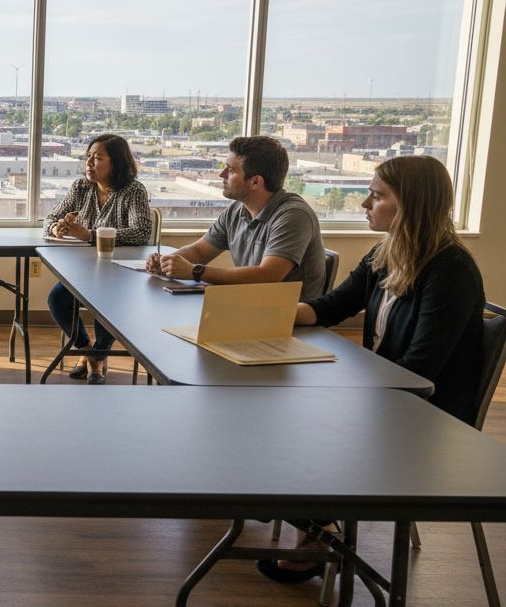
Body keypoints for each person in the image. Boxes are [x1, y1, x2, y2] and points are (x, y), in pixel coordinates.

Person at [256, 154, 485, 583]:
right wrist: (258, 318)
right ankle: (320, 527)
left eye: (376, 196)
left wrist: (340, 388)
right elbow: (331, 307)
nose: (364, 204)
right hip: (383, 399)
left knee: (280, 431)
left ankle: (319, 532)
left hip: (424, 419)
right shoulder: (385, 253)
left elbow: (419, 370)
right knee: (258, 422)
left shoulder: (451, 270)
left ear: (411, 206)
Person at [146, 135, 326, 299]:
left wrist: (196, 272)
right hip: (248, 305)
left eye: (230, 170)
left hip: (288, 320)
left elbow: (267, 276)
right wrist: (166, 262)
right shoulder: (236, 210)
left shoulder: (293, 216)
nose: (222, 175)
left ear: (255, 182)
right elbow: (199, 251)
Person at [44, 134, 153, 384]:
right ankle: (88, 351)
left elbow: (141, 232)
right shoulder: (81, 187)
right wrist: (56, 229)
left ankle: (98, 356)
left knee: (105, 302)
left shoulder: (133, 191)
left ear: (116, 163)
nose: (90, 163)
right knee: (57, 298)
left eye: (98, 158)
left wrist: (89, 234)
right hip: (83, 270)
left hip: (121, 272)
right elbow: (49, 219)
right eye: (88, 157)